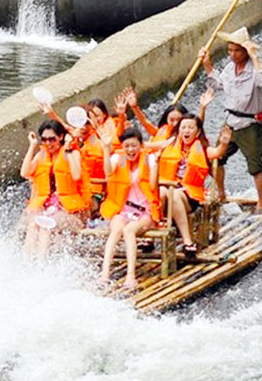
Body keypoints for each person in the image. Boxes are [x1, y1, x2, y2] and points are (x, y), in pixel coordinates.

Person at [199, 26, 262, 210]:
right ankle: (222, 193)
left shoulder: (255, 69)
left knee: (255, 167)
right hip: (229, 124)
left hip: (250, 125)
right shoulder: (229, 69)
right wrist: (207, 63)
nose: (233, 54)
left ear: (245, 51)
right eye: (230, 50)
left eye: (237, 50)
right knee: (215, 159)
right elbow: (217, 84)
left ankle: (261, 203)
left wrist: (255, 56)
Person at [158, 114, 232, 254]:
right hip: (168, 189)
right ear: (178, 130)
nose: (187, 130)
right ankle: (150, 236)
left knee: (175, 195)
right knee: (160, 191)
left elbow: (216, 153)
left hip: (188, 195)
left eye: (191, 128)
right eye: (183, 127)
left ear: (197, 132)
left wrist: (224, 144)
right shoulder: (169, 145)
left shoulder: (202, 148)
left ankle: (187, 241)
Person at [98, 128, 161, 288]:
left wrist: (157, 166)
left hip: (145, 211)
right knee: (116, 229)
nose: (130, 150)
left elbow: (153, 185)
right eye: (127, 146)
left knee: (129, 230)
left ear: (140, 145)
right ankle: (105, 273)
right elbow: (107, 172)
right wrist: (106, 149)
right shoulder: (117, 158)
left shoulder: (150, 159)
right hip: (124, 208)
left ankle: (130, 276)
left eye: (134, 146)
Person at [20, 120, 90, 259]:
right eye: (44, 139)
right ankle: (27, 262)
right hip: (47, 208)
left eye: (52, 139)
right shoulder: (41, 155)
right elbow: (24, 173)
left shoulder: (72, 153)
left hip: (71, 212)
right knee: (33, 225)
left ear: (61, 137)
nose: (48, 143)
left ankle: (41, 264)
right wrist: (32, 146)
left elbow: (76, 175)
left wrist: (69, 149)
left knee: (46, 225)